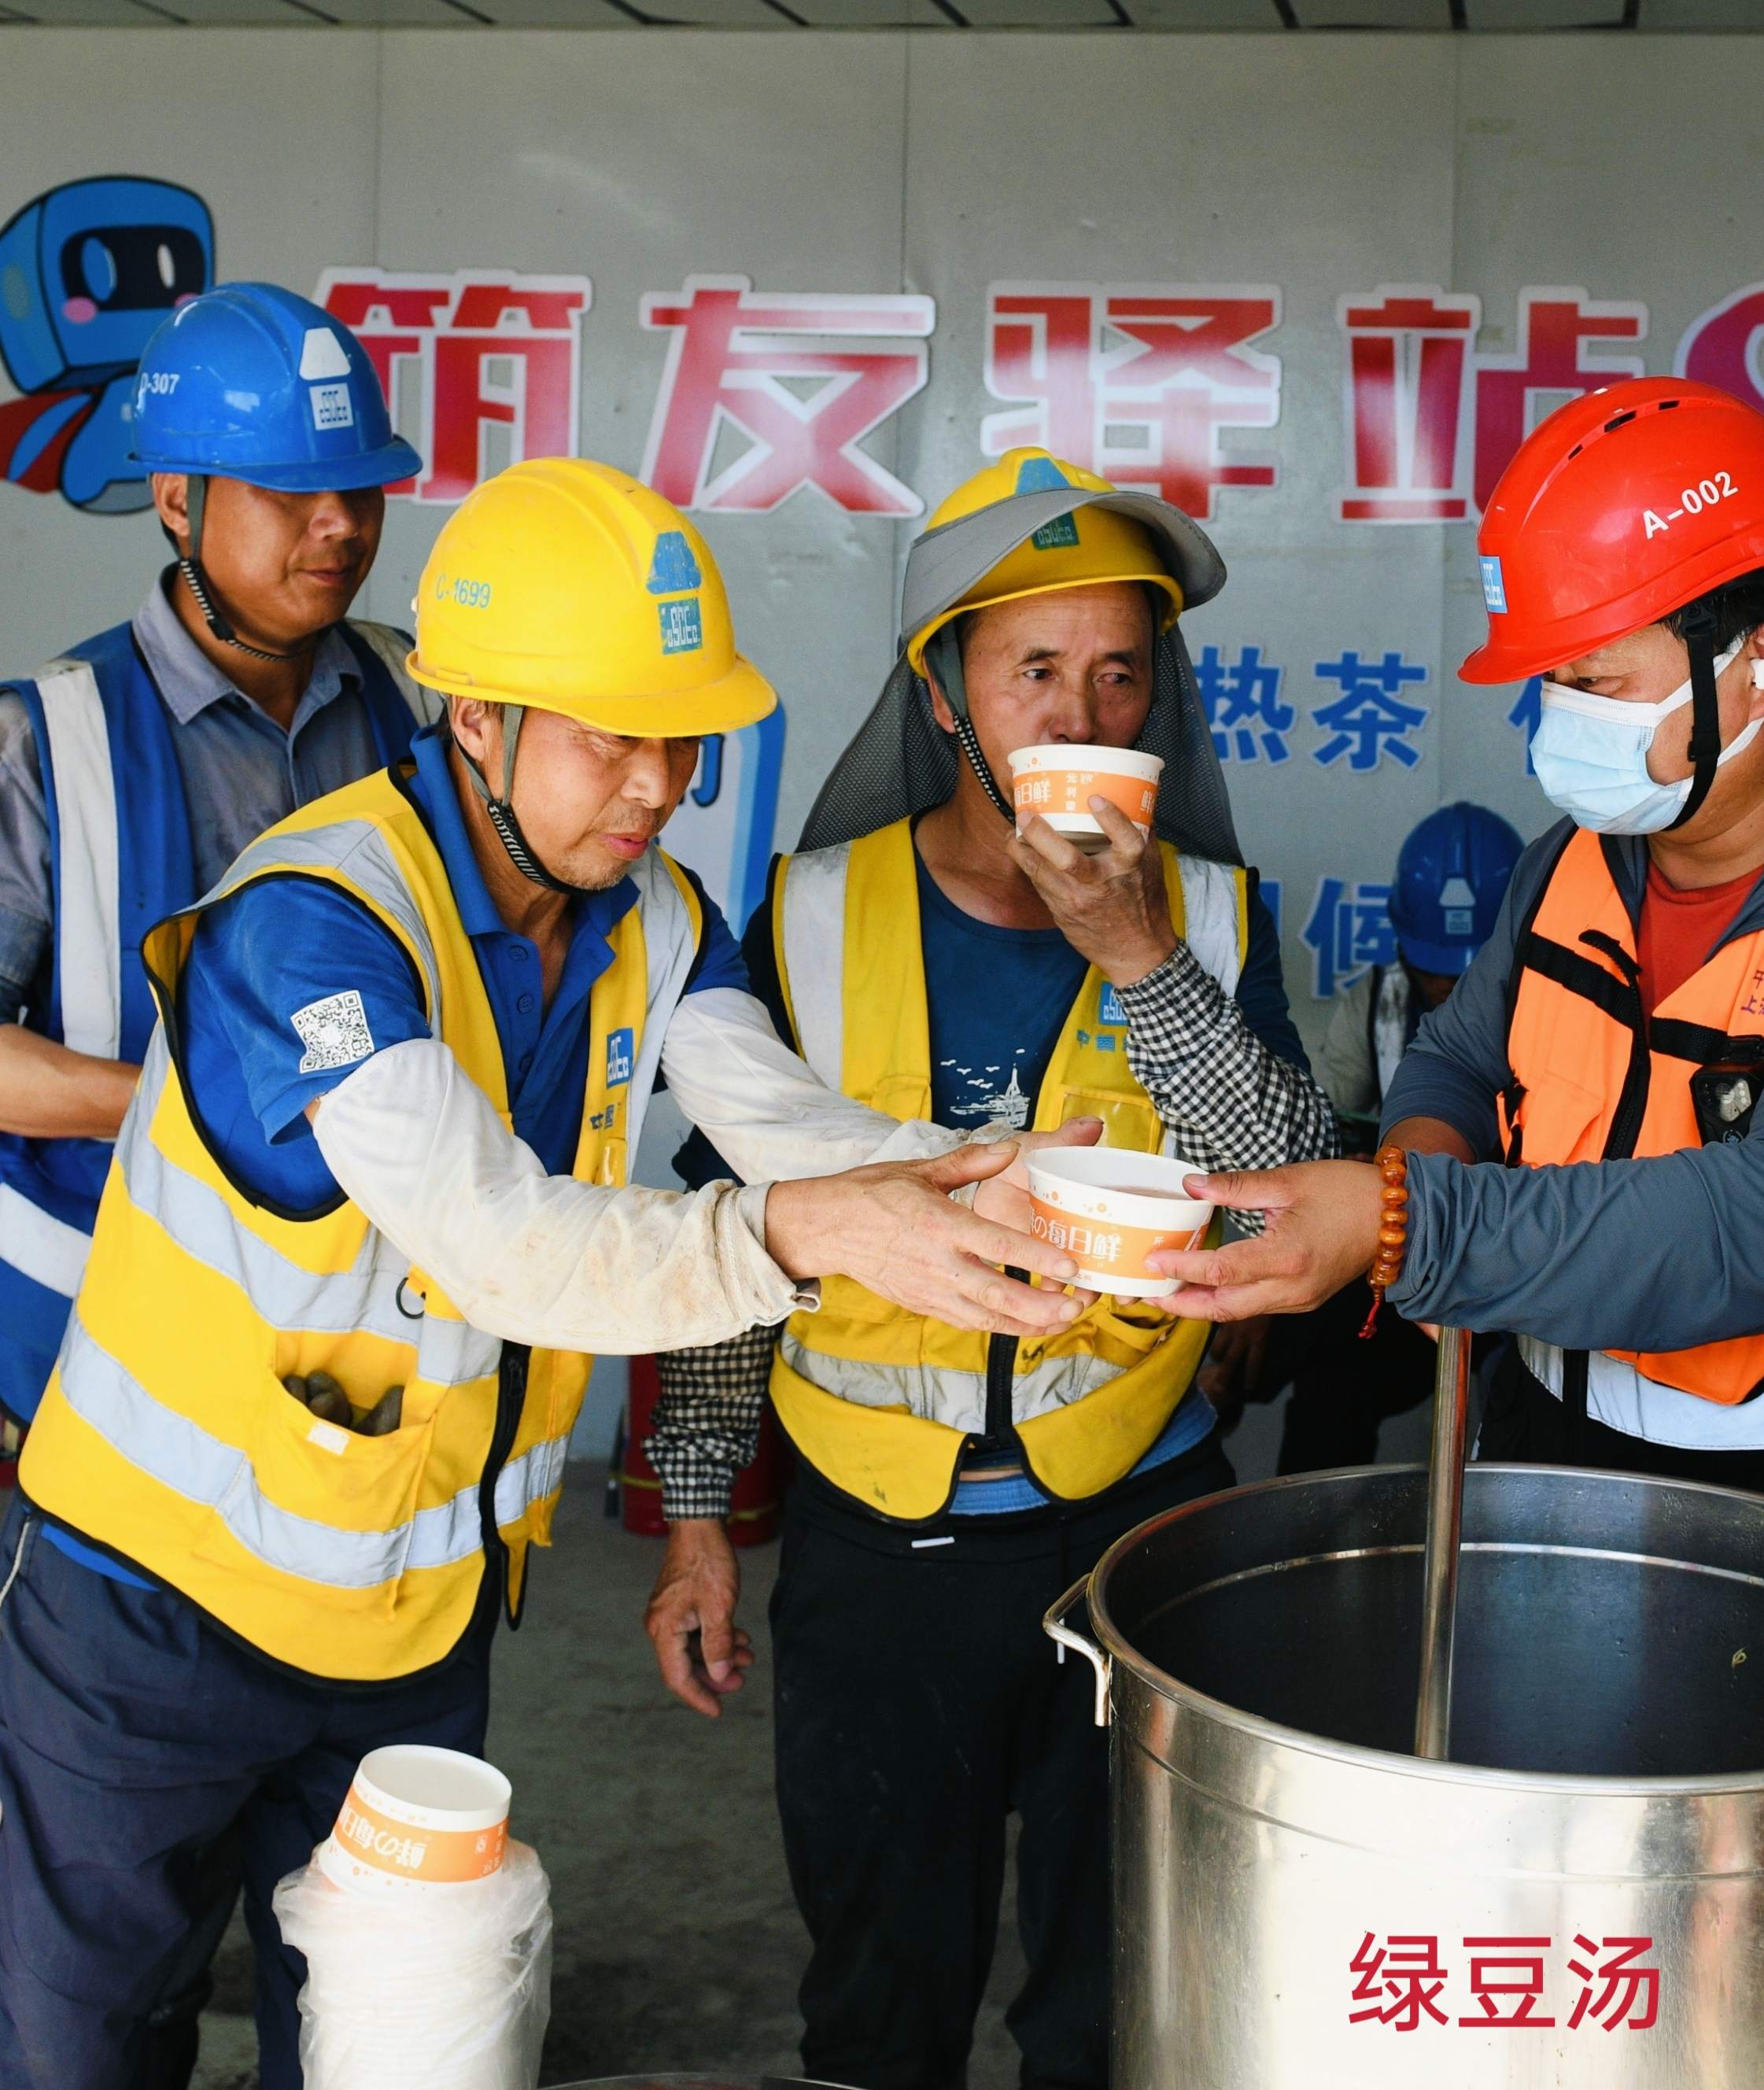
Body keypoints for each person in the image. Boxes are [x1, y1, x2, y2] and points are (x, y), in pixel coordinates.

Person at [0, 456, 1094, 2090]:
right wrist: (801, 1232)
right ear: (475, 720)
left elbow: (771, 1111)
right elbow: (497, 1240)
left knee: (390, 2050)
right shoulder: (313, 926)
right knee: (77, 2051)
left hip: (413, 1628)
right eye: (609, 737)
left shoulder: (650, 910)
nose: (656, 787)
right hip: (151, 1618)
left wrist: (972, 1175)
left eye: (681, 738)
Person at [1130, 376, 1764, 2085]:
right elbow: (1456, 1060)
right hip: (1583, 1514)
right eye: (1550, 676)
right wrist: (1420, 1154)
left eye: (1599, 678)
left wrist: (1399, 1218)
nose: (1555, 719)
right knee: (1598, 1996)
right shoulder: (1573, 865)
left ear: (1755, 670)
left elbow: (1751, 1228)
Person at [637, 448, 1333, 2090]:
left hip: (1135, 1529)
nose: (1084, 713)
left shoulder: (1211, 915)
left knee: (1121, 1995)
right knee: (881, 1995)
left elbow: (1290, 1193)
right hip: (876, 1545)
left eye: (1120, 674)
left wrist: (1134, 948)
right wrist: (696, 1514)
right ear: (942, 691)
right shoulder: (803, 915)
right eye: (1034, 670)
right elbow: (736, 1230)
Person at [0, 284, 432, 1438]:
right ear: (176, 499)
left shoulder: (425, 704)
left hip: (360, 1340)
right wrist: (200, 1111)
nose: (340, 524)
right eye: (289, 492)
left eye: (360, 488)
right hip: (102, 1335)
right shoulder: (44, 740)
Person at [1262, 799, 1524, 1474]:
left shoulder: (1560, 1009)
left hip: (1519, 1268)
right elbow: (1324, 1130)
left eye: (1471, 973)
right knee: (1311, 1358)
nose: (1452, 989)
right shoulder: (1377, 1003)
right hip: (1398, 1259)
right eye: (1437, 971)